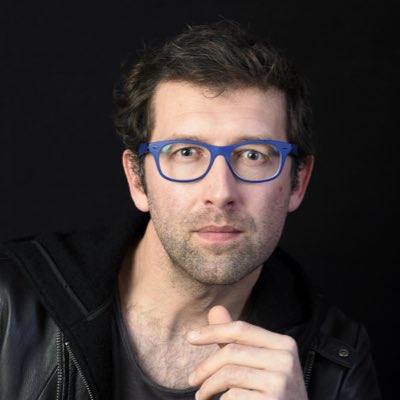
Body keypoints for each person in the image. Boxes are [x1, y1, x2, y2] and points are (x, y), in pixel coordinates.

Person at [0, 21, 381, 400]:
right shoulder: (9, 301)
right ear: (137, 179)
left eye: (253, 155)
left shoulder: (338, 361)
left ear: (298, 183)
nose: (220, 192)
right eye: (186, 152)